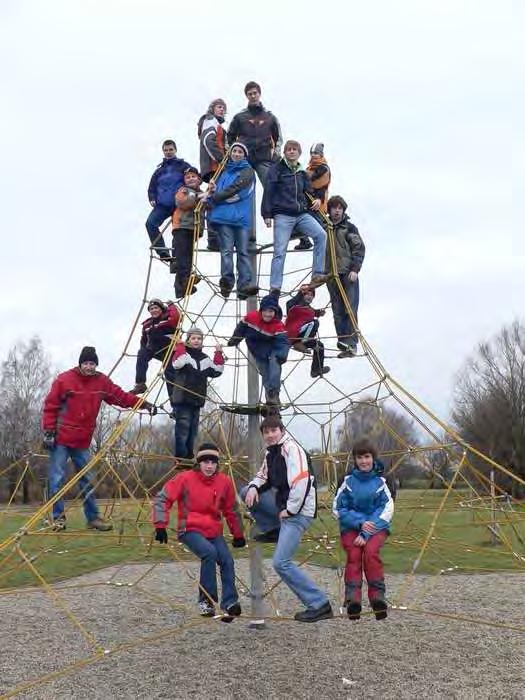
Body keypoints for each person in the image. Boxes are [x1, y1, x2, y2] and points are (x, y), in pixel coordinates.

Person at [42, 347, 157, 531]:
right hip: (61, 438)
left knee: (87, 479)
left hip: (82, 441)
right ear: (80, 363)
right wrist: (48, 431)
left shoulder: (101, 382)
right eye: (86, 363)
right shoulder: (64, 380)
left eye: (92, 364)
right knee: (57, 479)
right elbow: (50, 405)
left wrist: (143, 404)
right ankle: (57, 518)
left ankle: (93, 518)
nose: (89, 367)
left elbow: (121, 397)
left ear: (96, 365)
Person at [242, 415, 333, 623]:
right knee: (245, 490)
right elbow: (262, 476)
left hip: (299, 511)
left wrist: (290, 511)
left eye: (274, 430)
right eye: (266, 432)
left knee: (281, 562)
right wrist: (255, 487)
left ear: (282, 431)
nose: (270, 435)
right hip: (284, 508)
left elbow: (301, 481)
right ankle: (272, 528)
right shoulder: (271, 454)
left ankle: (319, 603)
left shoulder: (292, 449)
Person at [153, 443, 245, 618]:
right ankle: (206, 601)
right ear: (198, 463)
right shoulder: (184, 478)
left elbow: (231, 510)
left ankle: (230, 603)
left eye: (213, 462)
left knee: (227, 559)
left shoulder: (224, 482)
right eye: (205, 462)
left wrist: (238, 534)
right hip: (190, 528)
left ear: (217, 464)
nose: (209, 466)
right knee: (209, 553)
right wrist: (160, 525)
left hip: (213, 531)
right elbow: (162, 498)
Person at [333, 438, 394, 621]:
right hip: (352, 526)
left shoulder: (381, 482)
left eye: (367, 457)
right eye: (360, 457)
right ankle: (353, 599)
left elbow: (386, 509)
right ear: (355, 460)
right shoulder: (348, 481)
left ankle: (378, 599)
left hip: (375, 527)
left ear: (373, 458)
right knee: (354, 554)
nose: (364, 461)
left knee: (370, 552)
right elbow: (337, 508)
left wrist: (366, 531)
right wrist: (359, 524)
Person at [261, 140, 330, 297]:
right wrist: (267, 214)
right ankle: (275, 287)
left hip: (301, 213)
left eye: (295, 150)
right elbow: (269, 191)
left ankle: (317, 273)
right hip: (283, 214)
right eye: (289, 149)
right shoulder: (277, 168)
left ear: (299, 153)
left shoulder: (301, 172)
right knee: (279, 251)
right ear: (285, 153)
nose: (291, 152)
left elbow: (311, 188)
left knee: (321, 235)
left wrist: (319, 198)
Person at [204, 142, 259, 300]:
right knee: (227, 250)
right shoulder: (223, 172)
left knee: (242, 251)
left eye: (240, 152)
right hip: (224, 218)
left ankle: (244, 285)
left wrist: (215, 198)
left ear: (244, 155)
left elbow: (237, 191)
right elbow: (220, 191)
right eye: (234, 151)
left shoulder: (247, 172)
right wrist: (213, 190)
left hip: (239, 217)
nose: (236, 154)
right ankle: (227, 281)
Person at [171, 328, 225, 459]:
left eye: (199, 339)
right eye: (193, 338)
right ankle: (181, 456)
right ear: (188, 340)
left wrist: (218, 353)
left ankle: (189, 455)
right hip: (183, 399)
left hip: (197, 399)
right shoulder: (184, 354)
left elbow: (217, 370)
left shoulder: (204, 359)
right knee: (183, 428)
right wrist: (180, 346)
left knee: (193, 431)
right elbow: (177, 364)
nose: (196, 341)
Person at [227, 295, 289, 406]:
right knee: (265, 373)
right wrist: (235, 339)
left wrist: (281, 355)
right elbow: (241, 328)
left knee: (275, 370)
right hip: (257, 349)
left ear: (275, 312)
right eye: (265, 311)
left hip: (273, 349)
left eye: (271, 311)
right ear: (261, 310)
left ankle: (274, 394)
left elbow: (283, 342)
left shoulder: (278, 325)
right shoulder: (251, 317)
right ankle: (270, 394)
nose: (268, 314)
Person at [325, 196, 365, 358]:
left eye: (340, 208)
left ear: (343, 211)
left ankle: (352, 344)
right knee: (337, 311)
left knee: (350, 308)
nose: (337, 210)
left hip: (348, 273)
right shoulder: (324, 226)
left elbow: (359, 248)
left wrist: (355, 269)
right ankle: (343, 344)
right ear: (329, 210)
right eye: (334, 207)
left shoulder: (348, 228)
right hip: (331, 274)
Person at [227, 81, 282, 187]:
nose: (253, 96)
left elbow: (278, 138)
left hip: (264, 158)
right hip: (244, 160)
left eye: (255, 93)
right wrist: (235, 154)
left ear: (259, 94)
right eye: (249, 94)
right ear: (246, 96)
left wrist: (275, 154)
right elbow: (229, 137)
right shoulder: (239, 117)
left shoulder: (270, 117)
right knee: (242, 188)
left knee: (271, 187)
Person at [146, 140, 192, 259]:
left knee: (178, 231)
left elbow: (193, 179)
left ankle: (177, 259)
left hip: (179, 204)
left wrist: (189, 196)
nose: (168, 152)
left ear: (175, 150)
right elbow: (152, 187)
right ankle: (162, 251)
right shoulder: (159, 170)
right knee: (150, 223)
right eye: (166, 150)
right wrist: (152, 197)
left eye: (171, 149)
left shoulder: (183, 166)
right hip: (162, 205)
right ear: (163, 151)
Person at [130, 299, 181, 402]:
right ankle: (140, 383)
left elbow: (176, 317)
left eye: (156, 308)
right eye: (151, 309)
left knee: (170, 374)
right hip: (154, 349)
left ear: (161, 309)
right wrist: (143, 349)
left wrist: (171, 305)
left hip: (169, 348)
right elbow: (144, 339)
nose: (154, 310)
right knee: (141, 354)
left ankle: (175, 403)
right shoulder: (147, 324)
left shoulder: (167, 318)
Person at [197, 98, 228, 251]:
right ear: (212, 109)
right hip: (215, 167)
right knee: (215, 200)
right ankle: (214, 238)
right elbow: (208, 141)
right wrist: (222, 160)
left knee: (216, 199)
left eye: (224, 108)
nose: (222, 110)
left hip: (215, 166)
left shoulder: (216, 123)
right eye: (219, 107)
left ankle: (215, 237)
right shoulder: (210, 120)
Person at [171, 167, 205, 298]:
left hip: (192, 228)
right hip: (182, 227)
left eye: (193, 176)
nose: (191, 179)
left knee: (188, 257)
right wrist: (197, 196)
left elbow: (207, 206)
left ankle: (182, 287)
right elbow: (183, 203)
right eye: (188, 177)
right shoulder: (184, 191)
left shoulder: (202, 193)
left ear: (199, 179)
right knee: (183, 258)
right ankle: (183, 284)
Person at [285, 284, 330, 378]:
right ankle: (300, 343)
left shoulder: (309, 309)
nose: (310, 297)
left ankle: (316, 369)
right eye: (307, 294)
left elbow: (314, 312)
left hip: (303, 336)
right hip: (293, 336)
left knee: (319, 345)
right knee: (314, 323)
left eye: (312, 295)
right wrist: (300, 293)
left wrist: (319, 312)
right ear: (303, 295)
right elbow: (289, 303)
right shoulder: (294, 305)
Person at [294, 143, 331, 251]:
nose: (313, 155)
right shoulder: (310, 167)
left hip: (317, 203)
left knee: (319, 227)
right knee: (298, 219)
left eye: (316, 153)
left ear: (321, 154)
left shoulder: (324, 168)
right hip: (308, 202)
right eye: (312, 153)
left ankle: (325, 247)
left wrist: (301, 175)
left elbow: (319, 185)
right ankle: (304, 240)